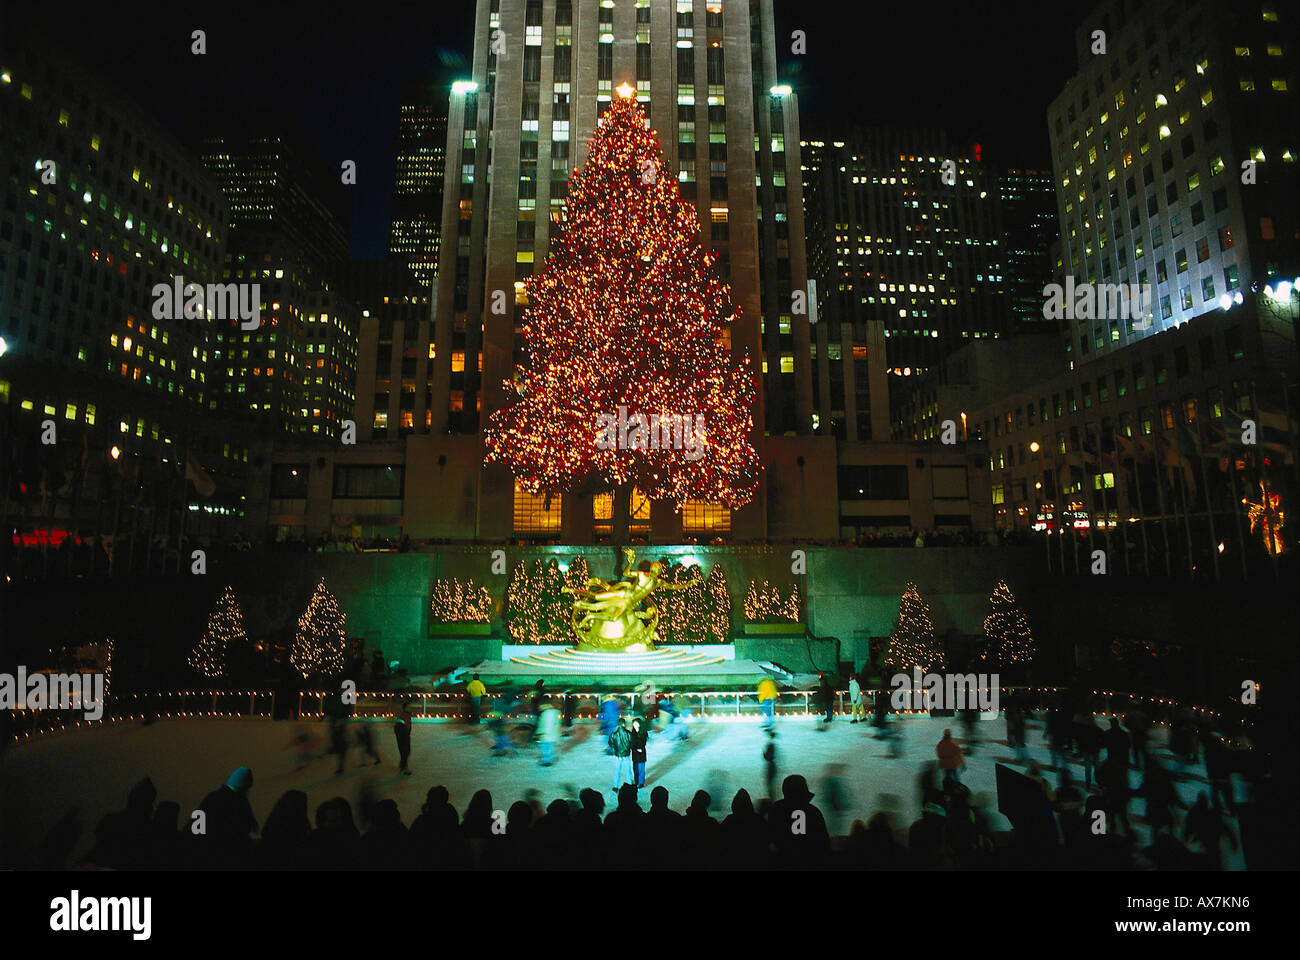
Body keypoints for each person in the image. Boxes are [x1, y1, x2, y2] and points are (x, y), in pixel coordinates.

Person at [609, 716, 633, 793]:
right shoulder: (628, 733)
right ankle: (629, 785)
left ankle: (615, 786)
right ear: (624, 724)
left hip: (617, 755)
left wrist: (616, 748)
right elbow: (632, 743)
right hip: (626, 755)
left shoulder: (614, 734)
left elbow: (611, 744)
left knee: (617, 771)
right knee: (628, 771)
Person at [537, 700, 560, 766]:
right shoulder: (555, 712)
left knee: (545, 747)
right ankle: (549, 760)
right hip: (552, 734)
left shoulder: (545, 713)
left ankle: (546, 761)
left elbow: (543, 724)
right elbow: (557, 724)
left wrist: (539, 732)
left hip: (546, 734)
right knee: (550, 747)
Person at [393, 700, 412, 775]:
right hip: (403, 734)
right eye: (409, 707)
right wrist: (405, 732)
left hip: (403, 734)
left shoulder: (405, 715)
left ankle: (402, 766)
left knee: (405, 751)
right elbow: (401, 725)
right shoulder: (404, 715)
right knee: (405, 751)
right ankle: (404, 768)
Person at [629, 716, 649, 789]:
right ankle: (636, 781)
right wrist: (635, 748)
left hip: (641, 753)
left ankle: (641, 783)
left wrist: (638, 747)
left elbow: (643, 742)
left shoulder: (643, 732)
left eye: (636, 724)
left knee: (641, 768)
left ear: (639, 724)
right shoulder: (632, 733)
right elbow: (631, 743)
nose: (635, 725)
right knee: (635, 769)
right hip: (635, 753)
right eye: (633, 724)